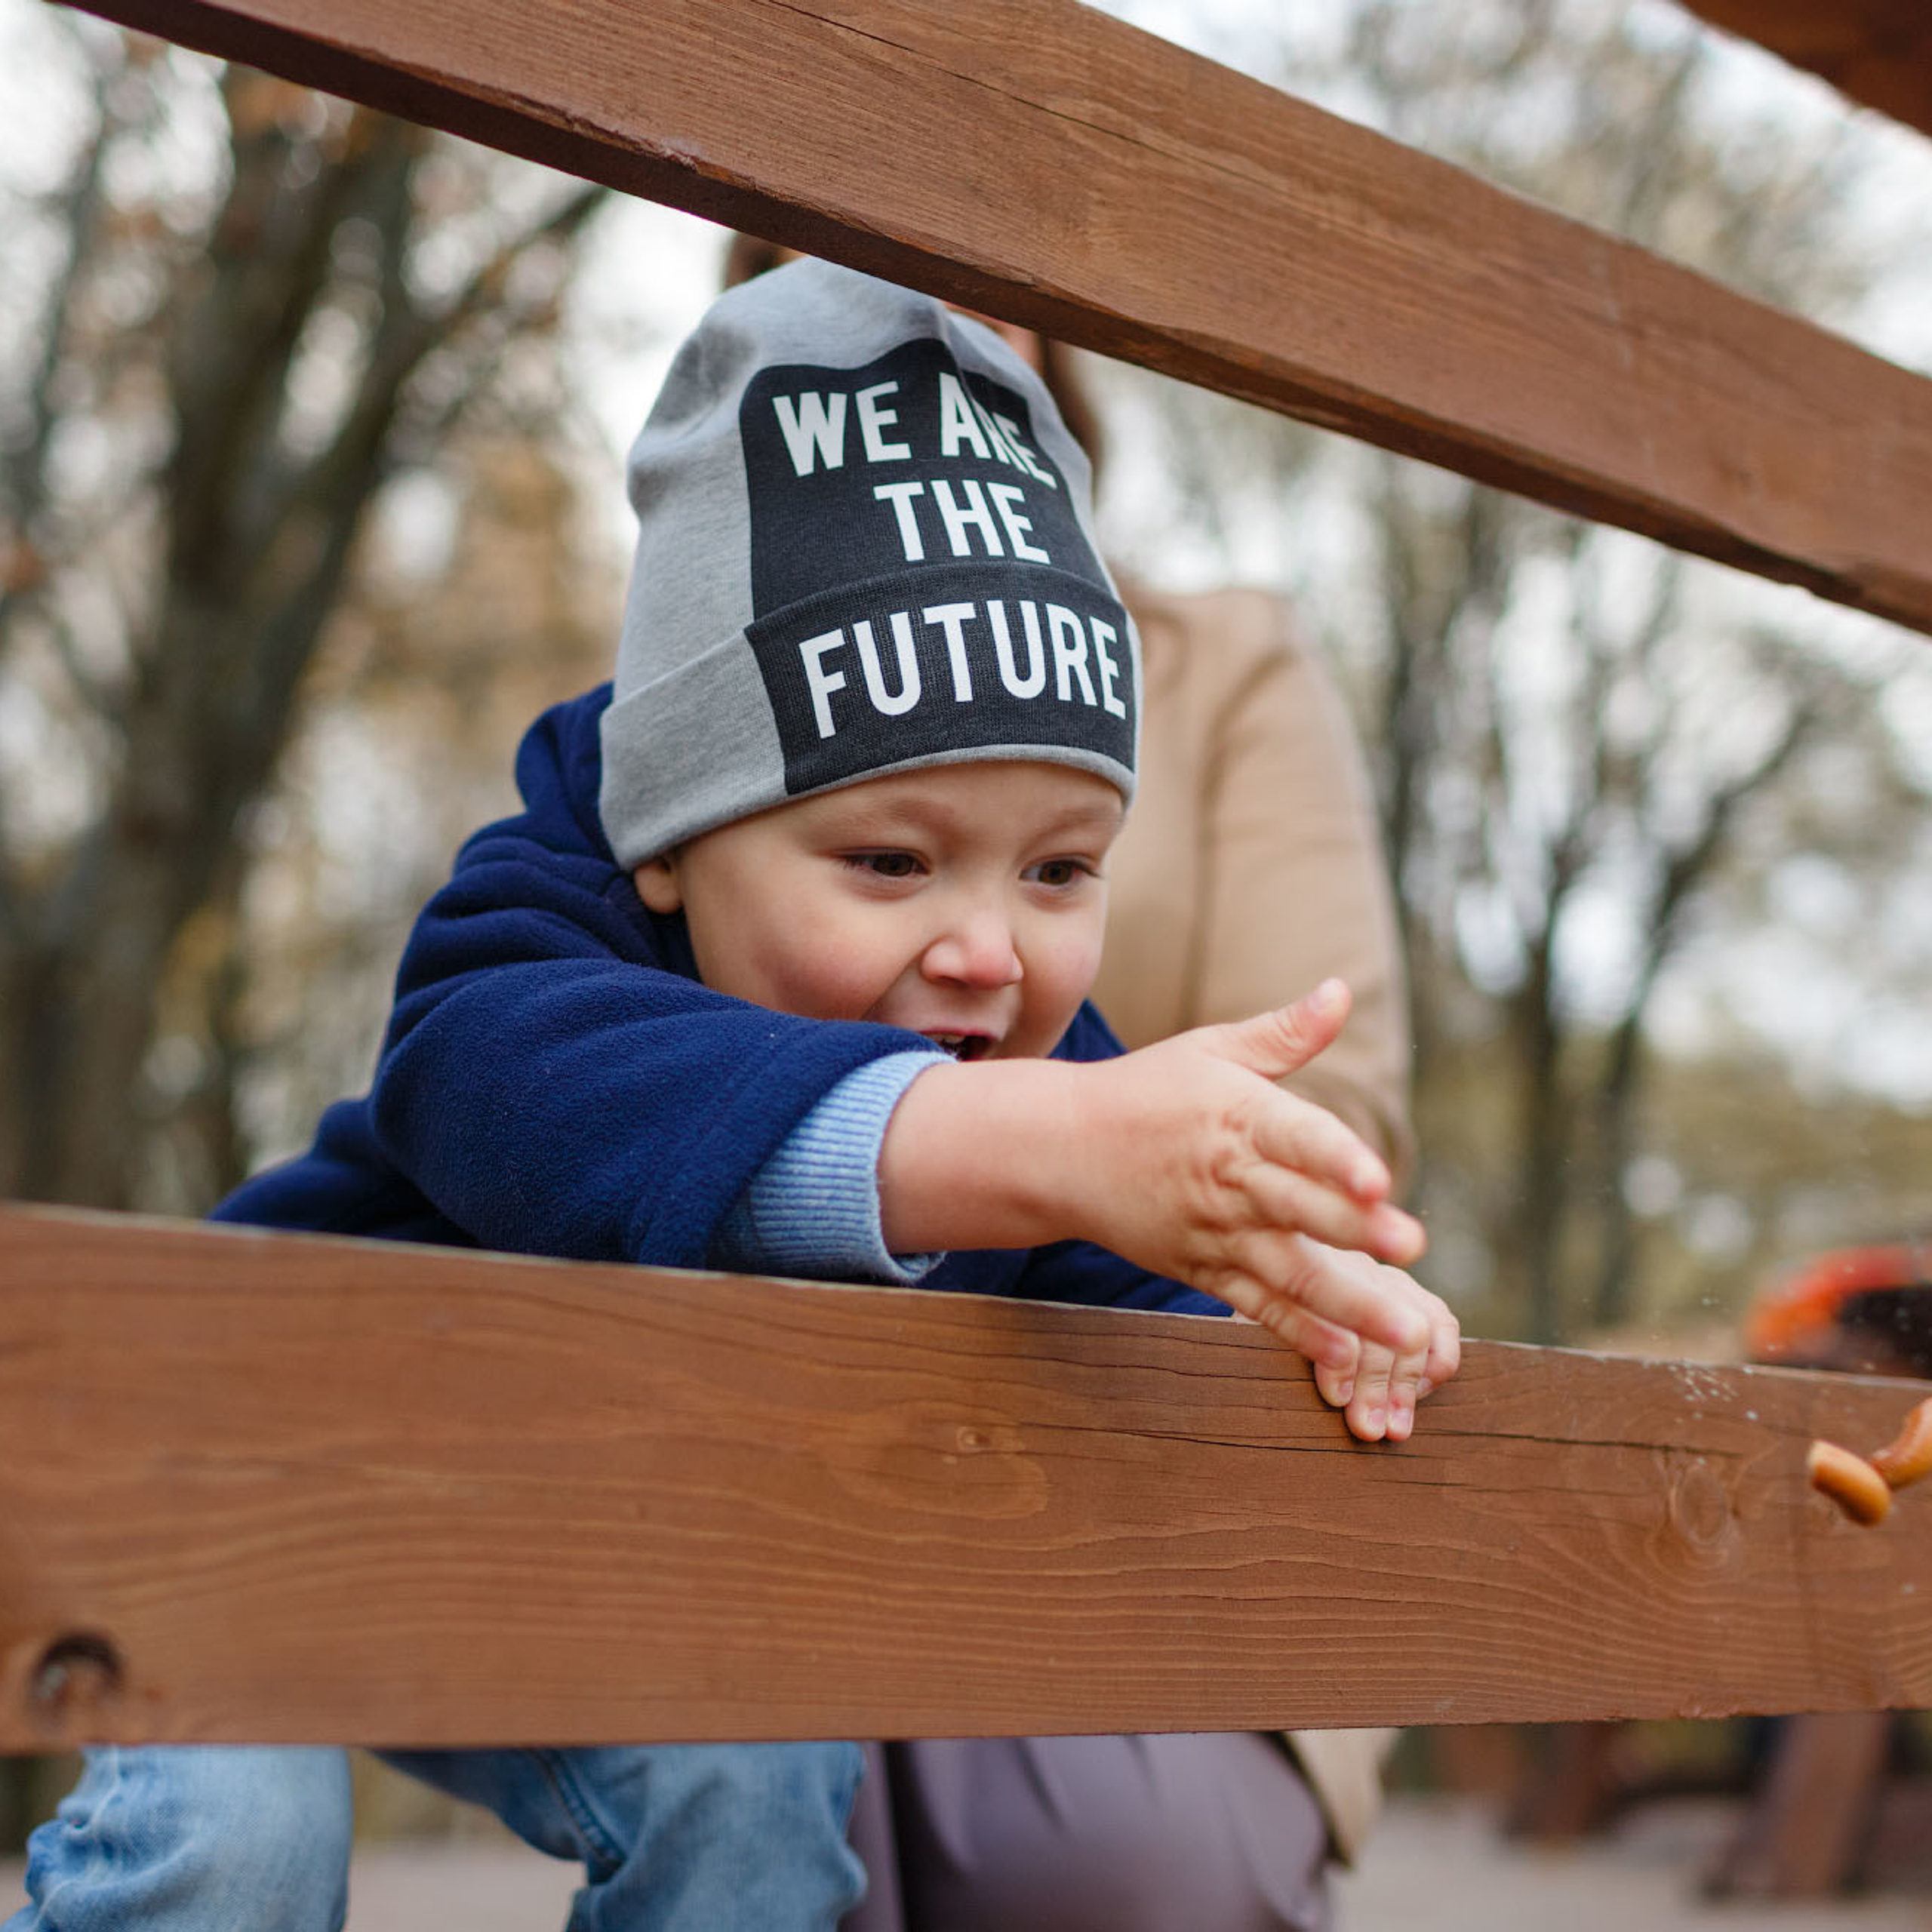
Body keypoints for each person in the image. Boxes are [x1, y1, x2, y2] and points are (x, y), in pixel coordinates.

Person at [10, 260, 1456, 1932]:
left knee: (755, 1777)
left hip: (621, 1566)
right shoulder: (542, 935)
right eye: (891, 861)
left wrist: (1295, 1302)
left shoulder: (1042, 1082)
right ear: (674, 839)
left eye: (1060, 869)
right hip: (270, 1499)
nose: (986, 949)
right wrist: (1017, 1142)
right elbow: (496, 1085)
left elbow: (1120, 1302)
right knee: (234, 1854)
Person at [721, 236, 1417, 1925]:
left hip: (1135, 1454)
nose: (980, 946)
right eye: (841, 275)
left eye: (1059, 868)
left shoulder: (1221, 663)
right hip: (769, 1470)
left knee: (1109, 1862)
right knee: (751, 1795)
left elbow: (1325, 1116)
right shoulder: (702, 692)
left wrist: (1075, 1165)